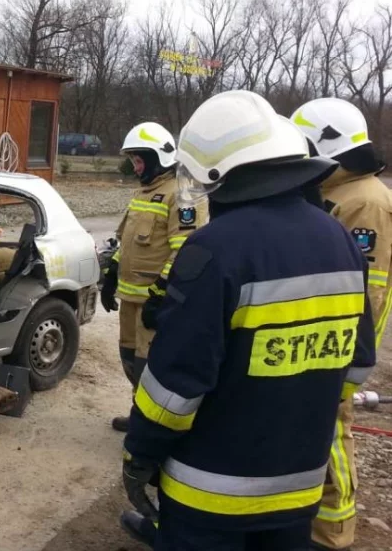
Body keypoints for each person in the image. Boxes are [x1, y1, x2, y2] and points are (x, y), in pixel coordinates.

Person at [121, 91, 376, 550]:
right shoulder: (340, 239)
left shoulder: (214, 250)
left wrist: (140, 453)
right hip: (300, 486)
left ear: (219, 174)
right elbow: (356, 364)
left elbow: (174, 390)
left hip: (210, 495)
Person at [291, 97, 392, 550]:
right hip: (317, 334)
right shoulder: (339, 190)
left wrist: (345, 360)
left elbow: (367, 292)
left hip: (338, 345)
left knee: (331, 432)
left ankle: (331, 533)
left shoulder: (366, 202)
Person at [100, 122, 207, 433]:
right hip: (131, 298)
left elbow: (185, 251)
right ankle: (139, 413)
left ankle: (152, 426)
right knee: (130, 358)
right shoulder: (144, 192)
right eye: (133, 160)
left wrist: (161, 293)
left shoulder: (183, 194)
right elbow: (128, 240)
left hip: (155, 302)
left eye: (139, 160)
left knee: (152, 366)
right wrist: (112, 274)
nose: (135, 167)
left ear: (159, 157)